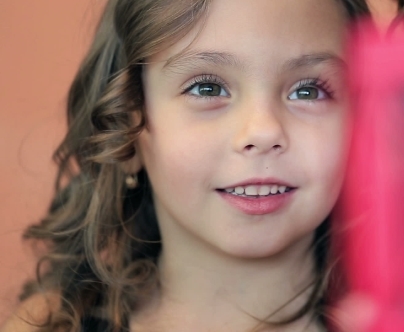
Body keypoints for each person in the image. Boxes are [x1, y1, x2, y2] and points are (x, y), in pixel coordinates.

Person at [0, 0, 373, 331]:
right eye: (207, 89)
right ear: (126, 131)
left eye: (307, 91)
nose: (262, 131)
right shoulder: (51, 324)